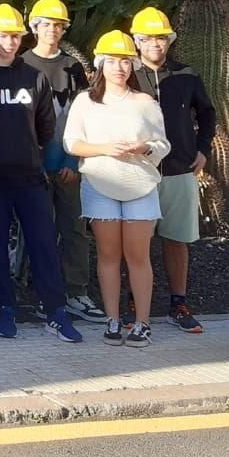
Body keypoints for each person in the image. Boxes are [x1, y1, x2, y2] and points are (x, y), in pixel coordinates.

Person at [0, 3, 83, 343]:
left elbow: (45, 126)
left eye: (16, 35)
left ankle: (55, 311)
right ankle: (5, 308)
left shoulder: (33, 77)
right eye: (4, 35)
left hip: (30, 178)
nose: (11, 41)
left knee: (44, 244)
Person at [64, 31, 172, 347]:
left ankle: (142, 323)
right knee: (108, 255)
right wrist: (105, 149)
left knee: (138, 256)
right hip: (100, 186)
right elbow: (73, 143)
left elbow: (162, 144)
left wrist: (143, 147)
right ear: (101, 65)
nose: (119, 68)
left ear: (132, 65)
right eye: (112, 61)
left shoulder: (145, 102)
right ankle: (113, 320)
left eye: (125, 61)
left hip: (140, 186)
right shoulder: (85, 101)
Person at [131, 6, 217, 334]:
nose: (156, 44)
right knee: (137, 242)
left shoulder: (187, 75)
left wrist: (203, 148)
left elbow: (207, 113)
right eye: (149, 38)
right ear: (137, 41)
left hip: (180, 168)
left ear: (169, 40)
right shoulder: (127, 74)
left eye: (162, 38)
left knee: (176, 239)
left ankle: (178, 303)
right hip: (138, 171)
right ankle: (135, 302)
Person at [22, 0, 104, 323]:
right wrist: (34, 164)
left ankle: (77, 292)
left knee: (74, 230)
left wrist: (73, 162)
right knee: (37, 233)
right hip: (33, 168)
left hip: (67, 165)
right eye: (47, 24)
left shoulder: (72, 67)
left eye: (58, 25)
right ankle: (41, 294)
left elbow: (84, 115)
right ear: (35, 27)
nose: (53, 30)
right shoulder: (23, 65)